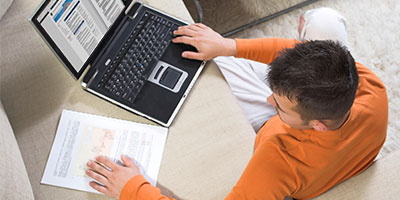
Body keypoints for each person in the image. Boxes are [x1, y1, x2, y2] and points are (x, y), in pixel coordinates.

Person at [85, 7, 388, 199]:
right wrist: (228, 45)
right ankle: (305, 51)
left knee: (218, 69)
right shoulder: (372, 88)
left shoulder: (276, 161)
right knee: (325, 21)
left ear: (317, 125)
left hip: (309, 158)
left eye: (279, 105)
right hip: (338, 137)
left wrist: (131, 189)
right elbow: (292, 51)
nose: (271, 100)